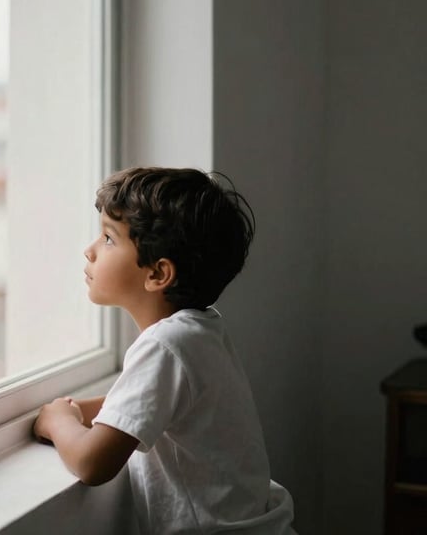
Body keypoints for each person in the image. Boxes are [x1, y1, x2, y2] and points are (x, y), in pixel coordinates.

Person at [33, 167, 296, 534]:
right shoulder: (201, 329)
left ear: (158, 274)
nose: (90, 250)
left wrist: (58, 422)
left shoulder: (165, 346)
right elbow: (141, 405)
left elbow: (93, 464)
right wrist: (79, 409)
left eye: (109, 239)